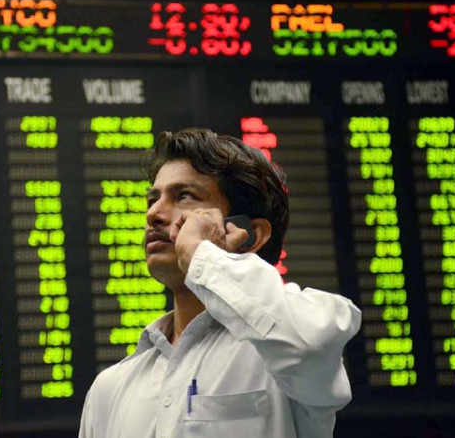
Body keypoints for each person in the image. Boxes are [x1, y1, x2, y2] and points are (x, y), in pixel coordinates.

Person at [79, 128, 361, 438]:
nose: (153, 214)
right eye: (152, 198)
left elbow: (310, 344)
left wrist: (201, 255)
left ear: (250, 234)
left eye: (183, 196)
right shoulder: (109, 389)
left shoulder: (283, 355)